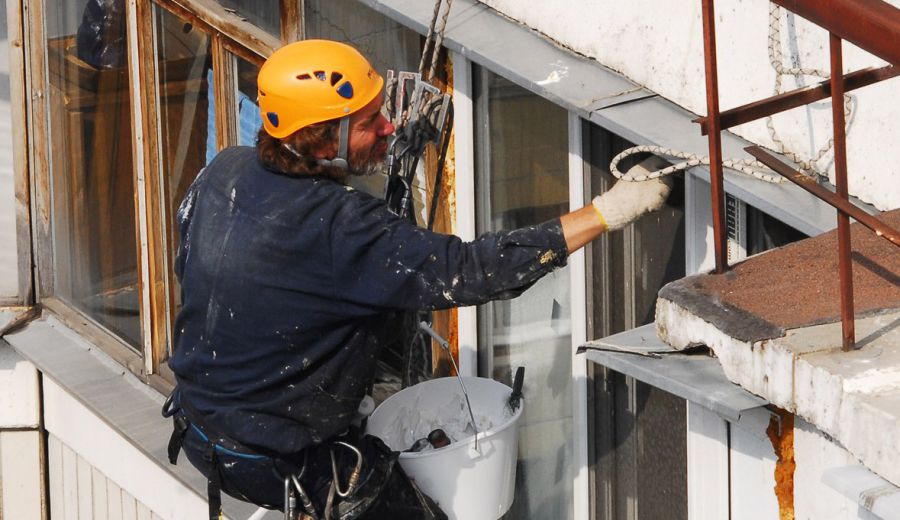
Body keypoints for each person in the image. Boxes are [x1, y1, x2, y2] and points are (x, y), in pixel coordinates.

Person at [163, 39, 671, 520]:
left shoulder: (224, 172)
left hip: (201, 429)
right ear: (320, 138)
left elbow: (243, 281)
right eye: (369, 122)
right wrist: (606, 212)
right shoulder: (341, 227)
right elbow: (469, 272)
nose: (387, 128)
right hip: (280, 463)